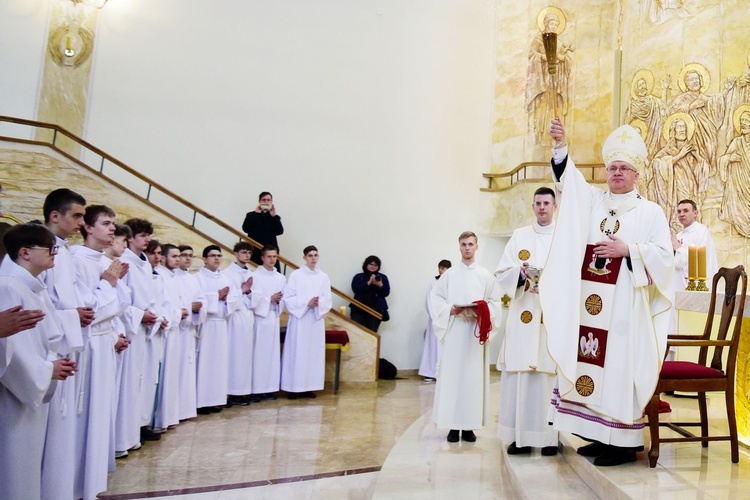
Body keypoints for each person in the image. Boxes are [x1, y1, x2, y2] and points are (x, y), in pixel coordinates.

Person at [541, 119, 673, 466]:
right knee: (589, 364)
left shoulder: (650, 212)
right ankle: (599, 435)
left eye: (623, 168)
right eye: (612, 167)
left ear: (636, 174)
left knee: (616, 368)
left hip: (625, 310)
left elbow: (664, 257)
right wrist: (561, 146)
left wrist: (628, 250)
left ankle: (623, 444)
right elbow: (569, 182)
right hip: (590, 307)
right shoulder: (594, 201)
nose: (616, 173)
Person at [0, 223, 77, 500]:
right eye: (50, 249)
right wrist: (46, 370)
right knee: (14, 465)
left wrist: (53, 363)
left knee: (27, 463)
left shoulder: (32, 286)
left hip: (32, 390)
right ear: (25, 252)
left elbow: (48, 333)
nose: (55, 254)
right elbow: (11, 349)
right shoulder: (8, 286)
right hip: (15, 395)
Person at [70, 205, 130, 500]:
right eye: (106, 223)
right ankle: (80, 483)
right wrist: (109, 283)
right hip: (89, 345)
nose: (112, 230)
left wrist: (118, 334)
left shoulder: (102, 261)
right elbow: (87, 311)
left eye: (113, 224)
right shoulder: (76, 261)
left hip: (105, 343)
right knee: (87, 415)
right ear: (88, 228)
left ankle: (93, 480)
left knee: (101, 411)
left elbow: (117, 307)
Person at [495, 187, 559, 457]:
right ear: (532, 206)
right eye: (538, 203)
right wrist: (520, 276)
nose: (542, 207)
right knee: (520, 376)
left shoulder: (564, 237)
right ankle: (518, 437)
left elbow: (573, 274)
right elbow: (502, 272)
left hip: (550, 315)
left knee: (548, 378)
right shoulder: (520, 236)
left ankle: (549, 438)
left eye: (547, 203)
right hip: (523, 314)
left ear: (555, 206)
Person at [429, 232, 503, 443]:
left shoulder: (485, 275)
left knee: (472, 379)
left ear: (476, 247)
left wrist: (483, 309)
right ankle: (453, 427)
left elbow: (495, 303)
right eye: (464, 244)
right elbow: (436, 299)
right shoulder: (449, 275)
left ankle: (469, 427)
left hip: (474, 333)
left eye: (471, 244)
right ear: (459, 247)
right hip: (455, 331)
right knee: (453, 378)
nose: (467, 248)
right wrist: (449, 310)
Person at [40, 188, 89, 500]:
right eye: (77, 216)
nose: (81, 224)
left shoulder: (64, 252)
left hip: (67, 342)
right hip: (48, 348)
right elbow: (40, 304)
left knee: (63, 424)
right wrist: (74, 317)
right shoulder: (40, 250)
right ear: (54, 216)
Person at [115, 218, 159, 457]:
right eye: (142, 235)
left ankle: (136, 430)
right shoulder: (124, 262)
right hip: (129, 328)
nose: (147, 240)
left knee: (141, 382)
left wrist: (152, 314)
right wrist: (139, 314)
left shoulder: (143, 264)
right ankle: (123, 435)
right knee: (129, 383)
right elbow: (119, 300)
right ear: (130, 237)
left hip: (143, 328)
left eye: (148, 235)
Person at [281, 245, 332, 399]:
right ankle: (293, 388)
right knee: (298, 352)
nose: (313, 258)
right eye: (310, 255)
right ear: (304, 258)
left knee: (312, 353)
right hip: (300, 319)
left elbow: (327, 298)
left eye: (316, 255)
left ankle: (309, 386)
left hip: (315, 320)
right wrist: (306, 303)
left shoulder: (323, 277)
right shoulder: (296, 275)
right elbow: (288, 297)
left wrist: (319, 303)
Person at [154, 243, 189, 430]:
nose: (177, 259)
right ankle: (160, 418)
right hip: (165, 330)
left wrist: (183, 310)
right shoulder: (160, 276)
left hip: (176, 330)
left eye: (179, 256)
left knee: (172, 375)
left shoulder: (174, 277)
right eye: (174, 256)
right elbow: (162, 305)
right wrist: (177, 313)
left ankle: (169, 416)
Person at [195, 245, 233, 413]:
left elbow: (234, 299)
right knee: (205, 362)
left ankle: (217, 399)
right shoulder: (198, 277)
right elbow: (197, 298)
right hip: (207, 324)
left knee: (219, 363)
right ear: (204, 259)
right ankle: (203, 401)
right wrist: (215, 296)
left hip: (221, 323)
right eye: (212, 256)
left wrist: (227, 299)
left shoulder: (225, 277)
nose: (216, 258)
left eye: (219, 255)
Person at [249, 245, 286, 402]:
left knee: (272, 354)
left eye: (275, 257)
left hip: (273, 317)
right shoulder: (255, 276)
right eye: (269, 256)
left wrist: (278, 302)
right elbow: (253, 299)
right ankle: (257, 389)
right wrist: (269, 300)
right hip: (260, 318)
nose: (272, 260)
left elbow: (285, 298)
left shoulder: (281, 278)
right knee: (259, 354)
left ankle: (270, 388)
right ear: (262, 258)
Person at [174, 245, 206, 420]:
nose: (187, 259)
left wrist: (197, 309)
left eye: (190, 256)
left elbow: (201, 300)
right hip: (176, 330)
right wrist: (188, 308)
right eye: (183, 255)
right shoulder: (171, 277)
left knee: (187, 369)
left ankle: (185, 409)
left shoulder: (193, 279)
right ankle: (174, 410)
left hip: (189, 330)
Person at [223, 242, 256, 406]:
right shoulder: (227, 274)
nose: (247, 256)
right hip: (235, 318)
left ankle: (243, 391)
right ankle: (231, 392)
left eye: (249, 253)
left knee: (245, 356)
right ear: (235, 254)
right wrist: (242, 290)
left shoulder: (252, 273)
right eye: (244, 252)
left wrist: (249, 291)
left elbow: (257, 299)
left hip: (247, 318)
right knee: (234, 355)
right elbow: (227, 298)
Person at [417, 259, 451, 382]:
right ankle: (430, 372)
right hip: (435, 319)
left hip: (448, 318)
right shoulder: (433, 284)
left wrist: (448, 314)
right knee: (432, 346)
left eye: (445, 268)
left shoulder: (452, 284)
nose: (442, 270)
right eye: (441, 268)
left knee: (445, 346)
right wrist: (435, 316)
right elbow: (429, 301)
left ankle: (444, 372)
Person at [242, 191, 284, 270]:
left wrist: (274, 216)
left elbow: (280, 231)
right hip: (255, 251)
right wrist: (256, 214)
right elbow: (245, 228)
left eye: (268, 200)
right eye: (264, 200)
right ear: (259, 201)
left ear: (271, 202)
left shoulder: (275, 217)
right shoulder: (251, 215)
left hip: (270, 251)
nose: (266, 202)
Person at [349, 255, 390, 332]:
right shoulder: (358, 277)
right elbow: (356, 290)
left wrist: (380, 285)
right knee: (355, 332)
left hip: (375, 311)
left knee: (372, 335)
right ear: (366, 264)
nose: (373, 266)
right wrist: (368, 283)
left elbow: (386, 293)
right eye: (371, 264)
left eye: (375, 265)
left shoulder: (382, 277)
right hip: (358, 310)